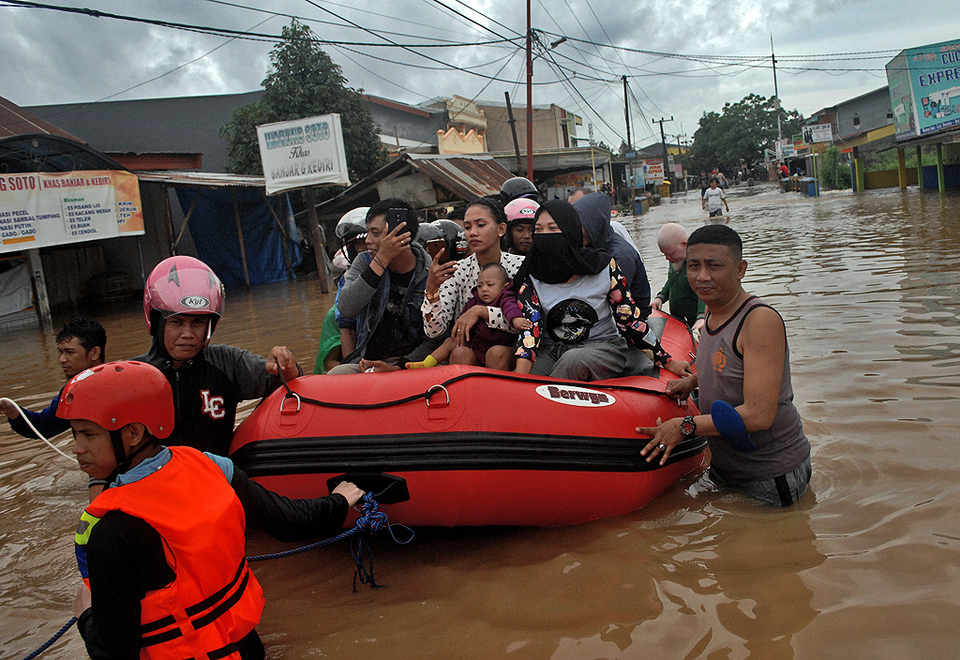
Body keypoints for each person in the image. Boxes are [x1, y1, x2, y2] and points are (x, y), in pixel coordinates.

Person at [60, 360, 363, 659]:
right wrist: (339, 500)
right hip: (246, 649)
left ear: (134, 433)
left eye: (89, 434)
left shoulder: (111, 531)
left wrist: (86, 615)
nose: (77, 448)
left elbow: (113, 652)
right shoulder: (210, 465)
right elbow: (290, 521)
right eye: (76, 434)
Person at [637, 224, 811, 506]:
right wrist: (693, 381)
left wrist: (684, 426)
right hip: (725, 466)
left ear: (740, 269)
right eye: (694, 266)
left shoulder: (759, 321)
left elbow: (757, 416)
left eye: (714, 266)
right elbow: (726, 363)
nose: (702, 276)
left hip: (770, 473)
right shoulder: (711, 309)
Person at [135, 256, 302, 456]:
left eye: (197, 323)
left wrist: (285, 364)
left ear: (210, 326)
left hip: (218, 476)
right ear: (156, 322)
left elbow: (288, 381)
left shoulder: (227, 362)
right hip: (157, 482)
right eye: (176, 322)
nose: (188, 334)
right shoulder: (133, 377)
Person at [513, 200, 689, 381]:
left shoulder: (604, 267)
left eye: (553, 228)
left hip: (603, 346)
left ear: (570, 231)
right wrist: (519, 381)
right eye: (539, 230)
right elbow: (530, 328)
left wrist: (666, 360)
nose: (545, 236)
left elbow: (628, 319)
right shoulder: (531, 274)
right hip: (551, 349)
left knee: (572, 361)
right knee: (533, 375)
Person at [329, 198, 437, 374]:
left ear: (400, 234)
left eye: (376, 233)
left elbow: (435, 339)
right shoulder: (364, 262)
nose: (368, 241)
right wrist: (381, 260)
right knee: (337, 375)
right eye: (368, 232)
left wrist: (398, 367)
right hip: (368, 362)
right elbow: (346, 308)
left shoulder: (429, 271)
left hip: (413, 364)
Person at [422, 198, 526, 371]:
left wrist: (480, 311)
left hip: (510, 349)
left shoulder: (520, 266)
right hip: (471, 350)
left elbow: (527, 322)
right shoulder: (458, 270)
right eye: (468, 227)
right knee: (459, 353)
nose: (473, 233)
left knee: (496, 353)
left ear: (501, 229)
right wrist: (432, 290)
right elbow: (434, 331)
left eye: (480, 225)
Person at [397, 263, 531, 370]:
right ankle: (427, 363)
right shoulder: (474, 300)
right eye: (480, 285)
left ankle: (495, 389)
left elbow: (511, 308)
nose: (484, 289)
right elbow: (463, 319)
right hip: (476, 347)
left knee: (495, 353)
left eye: (490, 285)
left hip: (500, 348)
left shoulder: (505, 297)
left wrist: (516, 319)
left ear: (504, 286)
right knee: (451, 341)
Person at [2, 317, 106, 440]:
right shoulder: (72, 392)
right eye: (61, 352)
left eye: (70, 352)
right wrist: (10, 409)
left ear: (94, 353)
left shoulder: (116, 386)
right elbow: (43, 426)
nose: (62, 359)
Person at [573, 191, 653, 317]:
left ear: (594, 223)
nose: (574, 231)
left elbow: (616, 296)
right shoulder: (592, 246)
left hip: (632, 316)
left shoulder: (620, 254)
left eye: (580, 225)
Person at [314, 207, 369, 374]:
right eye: (358, 244)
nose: (363, 249)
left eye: (366, 241)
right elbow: (330, 362)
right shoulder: (335, 314)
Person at [651, 223, 706, 330]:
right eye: (665, 254)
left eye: (671, 254)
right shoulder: (676, 260)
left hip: (696, 320)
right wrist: (661, 297)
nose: (668, 258)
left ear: (685, 245)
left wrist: (701, 317)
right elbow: (671, 281)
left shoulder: (698, 263)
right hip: (678, 319)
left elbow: (704, 290)